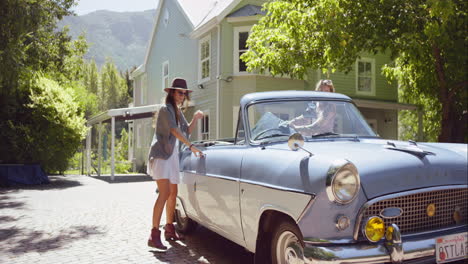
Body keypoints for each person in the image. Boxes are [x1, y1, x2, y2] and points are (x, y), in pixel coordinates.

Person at [147, 78, 204, 250]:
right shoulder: (165, 109)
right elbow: (174, 130)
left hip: (171, 157)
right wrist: (191, 146)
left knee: (173, 193)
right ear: (172, 92)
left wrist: (195, 118)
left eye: (184, 93)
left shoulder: (177, 111)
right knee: (164, 193)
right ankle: (153, 234)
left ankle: (169, 228)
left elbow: (186, 131)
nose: (182, 96)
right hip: (161, 155)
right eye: (180, 92)